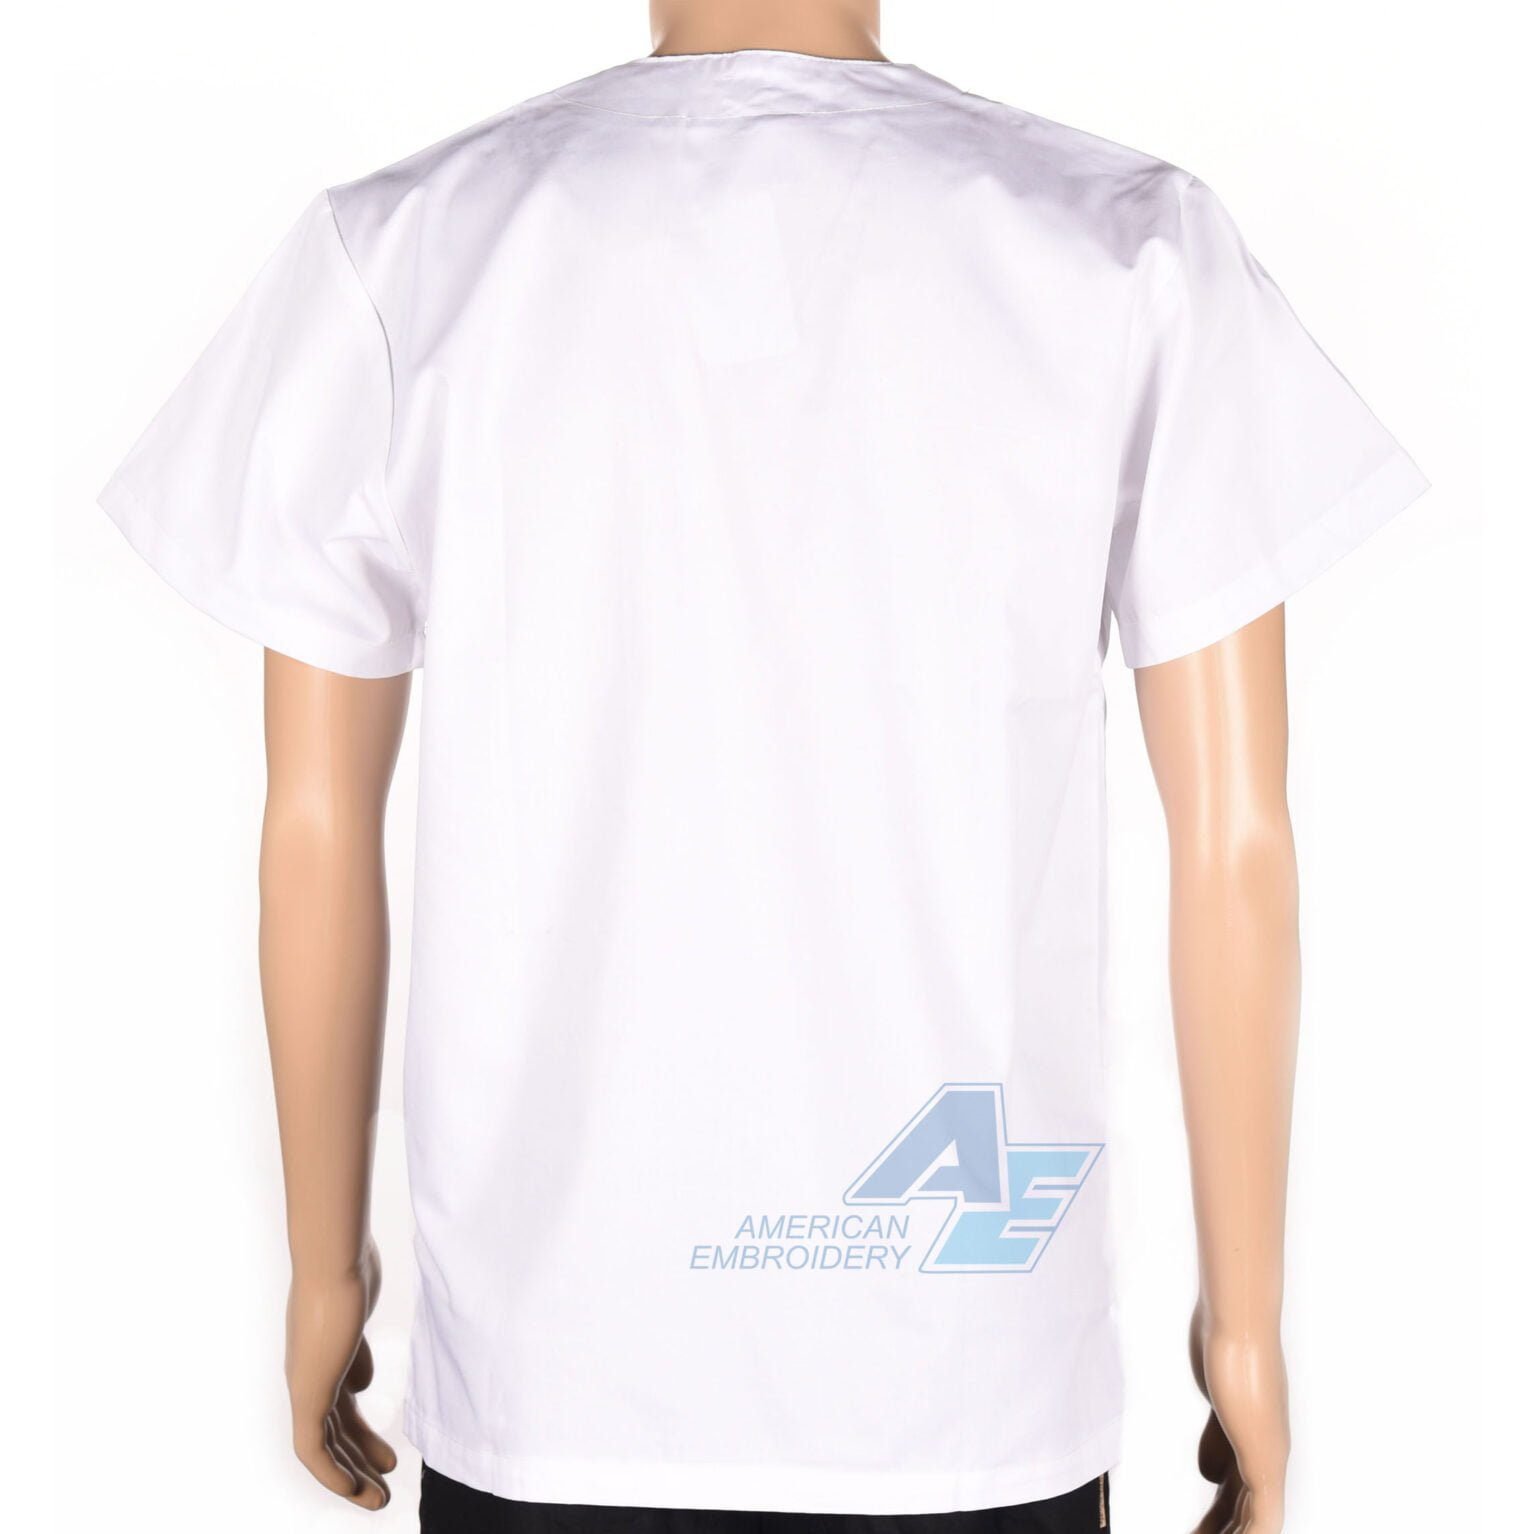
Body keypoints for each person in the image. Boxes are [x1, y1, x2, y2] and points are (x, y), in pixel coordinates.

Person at [97, 2, 1428, 1530]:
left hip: (557, 1376)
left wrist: (325, 1269)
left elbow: (313, 829)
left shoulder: (409, 254)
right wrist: (1244, 1327)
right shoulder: (1124, 250)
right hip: (960, 1369)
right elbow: (1240, 846)